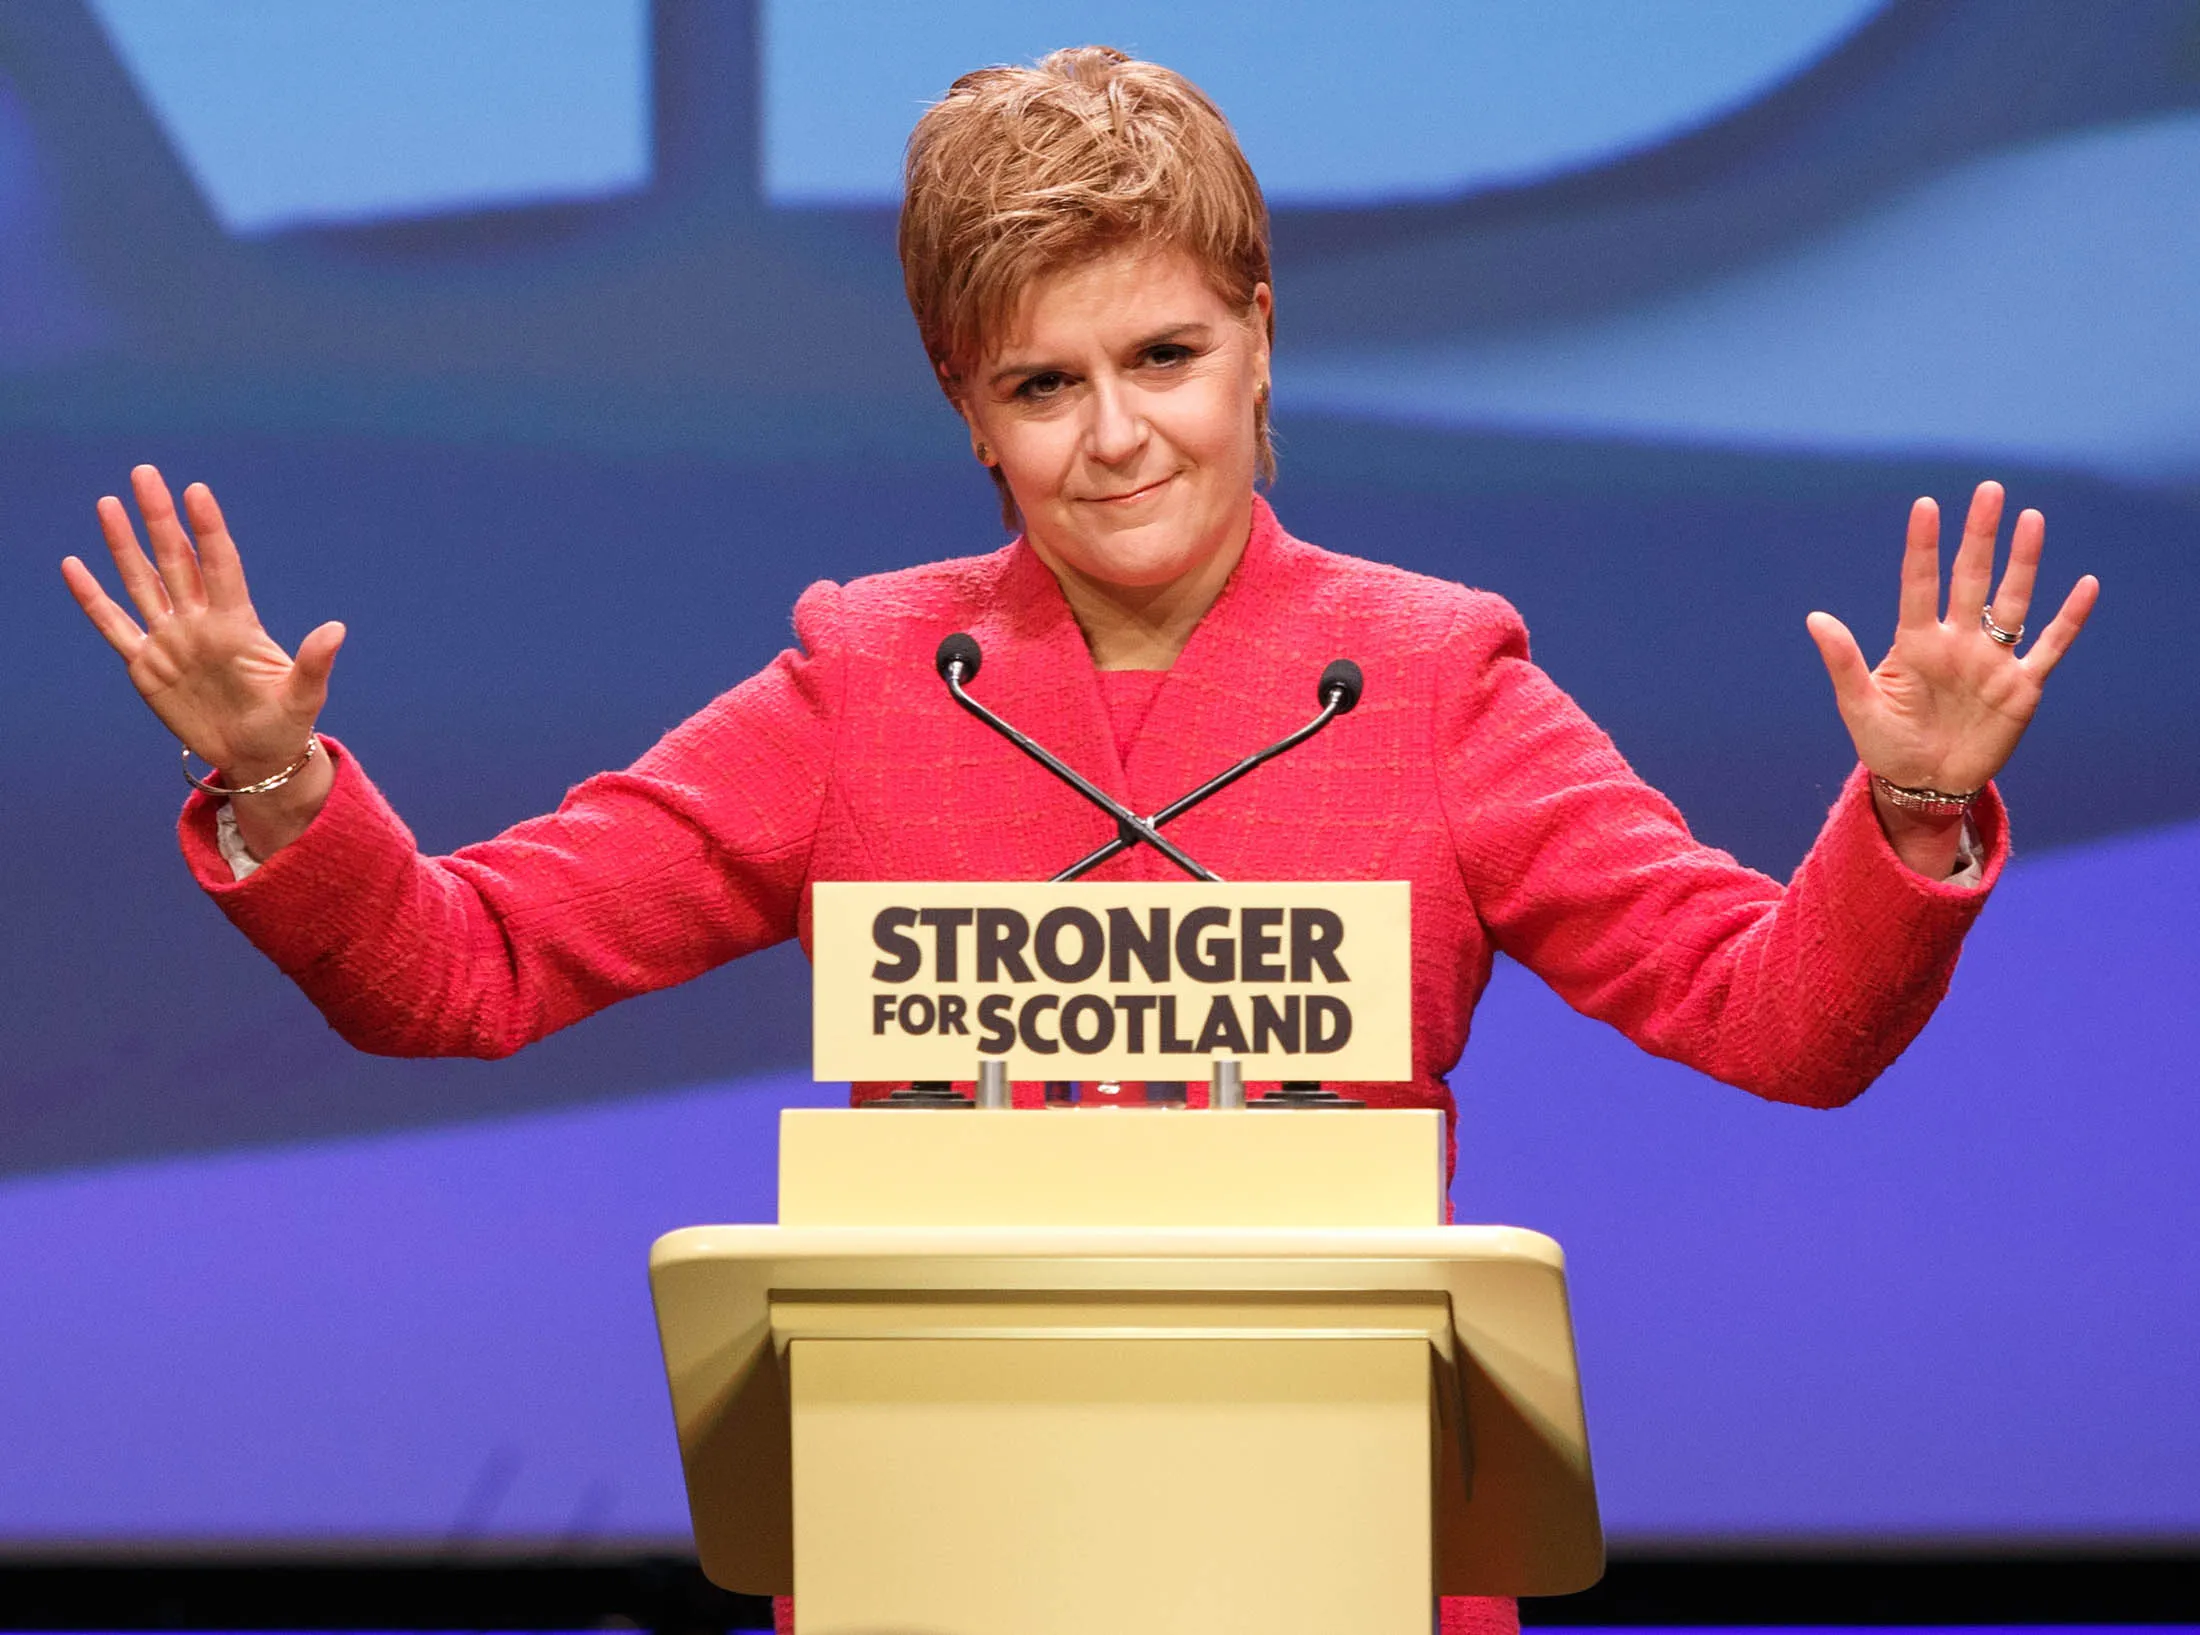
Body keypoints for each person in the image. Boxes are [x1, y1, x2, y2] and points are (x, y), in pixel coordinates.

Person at [61, 46, 2094, 1635]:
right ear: (967, 407)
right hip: (932, 1542)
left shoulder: (1435, 678)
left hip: (1345, 1563)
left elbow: (1773, 1016)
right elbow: (468, 966)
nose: (1114, 436)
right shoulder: (863, 680)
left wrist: (1907, 804)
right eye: (1042, 383)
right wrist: (279, 789)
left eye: (1162, 358)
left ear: (1259, 336)